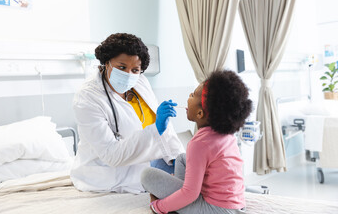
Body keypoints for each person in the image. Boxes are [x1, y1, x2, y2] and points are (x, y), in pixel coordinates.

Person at [70, 33, 185, 194]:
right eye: (122, 67)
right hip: (111, 174)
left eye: (135, 69)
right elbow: (111, 155)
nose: (128, 75)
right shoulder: (88, 98)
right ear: (106, 62)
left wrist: (178, 160)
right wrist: (155, 129)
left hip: (147, 161)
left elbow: (166, 131)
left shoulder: (140, 82)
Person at [141, 70, 252, 214]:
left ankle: (177, 203)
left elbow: (190, 194)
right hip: (235, 204)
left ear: (200, 113)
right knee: (181, 158)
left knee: (147, 175)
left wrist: (158, 206)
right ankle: (179, 198)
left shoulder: (199, 144)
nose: (189, 96)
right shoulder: (227, 135)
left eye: (192, 95)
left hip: (215, 210)